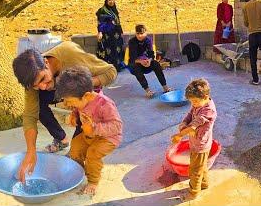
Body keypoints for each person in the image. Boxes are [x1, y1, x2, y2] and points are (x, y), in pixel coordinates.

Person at [12, 42, 117, 182]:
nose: (42, 87)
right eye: (36, 86)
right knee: (38, 107)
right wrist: (31, 151)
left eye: (43, 79)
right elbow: (30, 115)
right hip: (59, 86)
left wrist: (81, 85)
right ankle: (61, 139)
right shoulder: (33, 78)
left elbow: (111, 72)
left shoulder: (70, 54)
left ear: (46, 62)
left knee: (79, 149)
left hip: (81, 87)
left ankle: (80, 145)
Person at [56, 66, 123, 196]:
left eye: (69, 101)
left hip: (108, 138)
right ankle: (78, 172)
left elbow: (117, 126)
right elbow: (78, 108)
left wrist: (94, 128)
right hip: (89, 134)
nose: (65, 104)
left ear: (86, 95)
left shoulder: (105, 104)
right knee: (75, 146)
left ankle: (93, 181)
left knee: (92, 154)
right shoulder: (82, 100)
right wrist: (75, 115)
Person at [171, 78, 217, 201]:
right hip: (195, 141)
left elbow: (193, 126)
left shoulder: (208, 110)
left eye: (195, 101)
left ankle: (193, 192)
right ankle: (204, 183)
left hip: (201, 144)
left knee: (195, 170)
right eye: (191, 102)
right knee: (201, 166)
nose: (193, 104)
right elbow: (190, 115)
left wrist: (179, 135)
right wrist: (183, 123)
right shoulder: (197, 104)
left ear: (206, 96)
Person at [127, 24, 173, 98]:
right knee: (136, 68)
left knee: (156, 64)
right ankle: (148, 90)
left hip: (146, 62)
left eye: (141, 33)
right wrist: (141, 61)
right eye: (137, 33)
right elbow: (132, 58)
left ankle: (165, 87)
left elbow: (151, 54)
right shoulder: (132, 42)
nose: (139, 36)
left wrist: (149, 60)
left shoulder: (148, 40)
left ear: (146, 33)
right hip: (136, 63)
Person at [96, 0, 125, 72]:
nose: (111, 2)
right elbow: (100, 23)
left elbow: (118, 21)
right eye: (109, 0)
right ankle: (110, 67)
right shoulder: (102, 10)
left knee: (117, 49)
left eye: (113, 0)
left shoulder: (114, 10)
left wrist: (121, 31)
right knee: (109, 49)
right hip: (108, 34)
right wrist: (100, 32)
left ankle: (117, 66)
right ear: (106, 1)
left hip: (116, 34)